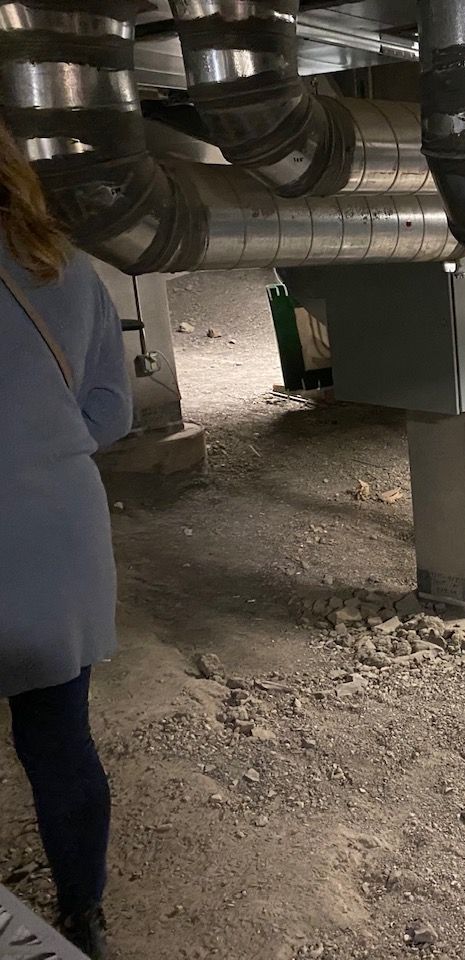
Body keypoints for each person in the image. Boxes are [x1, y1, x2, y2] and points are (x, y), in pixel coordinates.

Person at [0, 120, 132, 959]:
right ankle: (82, 916)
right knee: (59, 741)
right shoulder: (68, 269)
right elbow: (111, 412)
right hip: (56, 528)